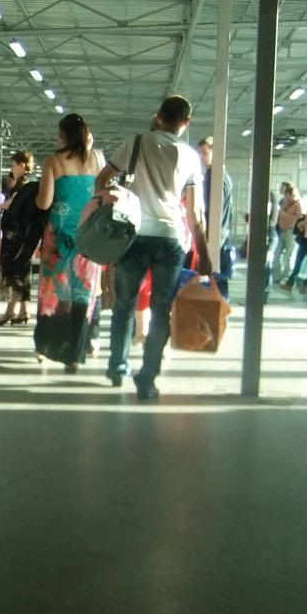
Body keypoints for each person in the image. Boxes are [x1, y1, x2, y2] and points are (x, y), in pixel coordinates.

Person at [97, 95, 212, 400]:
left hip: (133, 236)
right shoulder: (190, 157)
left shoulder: (134, 143)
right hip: (170, 239)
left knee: (124, 306)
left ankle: (117, 367)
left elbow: (102, 179)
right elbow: (194, 212)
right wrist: (204, 253)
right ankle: (147, 379)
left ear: (158, 116)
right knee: (161, 312)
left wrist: (108, 205)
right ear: (186, 122)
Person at [33, 114, 104, 374]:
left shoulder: (53, 161)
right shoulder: (97, 159)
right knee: (83, 293)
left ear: (62, 134)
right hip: (88, 237)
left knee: (52, 291)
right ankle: (74, 356)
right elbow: (102, 194)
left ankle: (45, 347)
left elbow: (44, 202)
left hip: (58, 238)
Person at [0, 152, 45, 326]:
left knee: (14, 271)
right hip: (25, 235)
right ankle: (24, 311)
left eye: (13, 165)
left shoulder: (25, 183)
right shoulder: (31, 182)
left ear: (22, 165)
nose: (12, 168)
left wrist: (1, 206)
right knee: (22, 271)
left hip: (16, 235)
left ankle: (10, 311)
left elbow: (15, 202)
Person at [196, 136, 235, 276]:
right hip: (220, 233)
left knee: (209, 276)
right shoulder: (223, 176)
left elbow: (211, 208)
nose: (201, 157)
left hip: (213, 234)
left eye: (205, 153)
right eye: (200, 153)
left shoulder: (215, 177)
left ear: (216, 153)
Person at [270, 181, 304, 285]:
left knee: (289, 255)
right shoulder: (284, 203)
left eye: (289, 195)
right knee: (277, 254)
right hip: (282, 231)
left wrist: (284, 215)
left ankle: (286, 277)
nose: (287, 197)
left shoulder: (298, 204)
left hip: (291, 231)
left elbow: (298, 218)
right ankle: (277, 276)